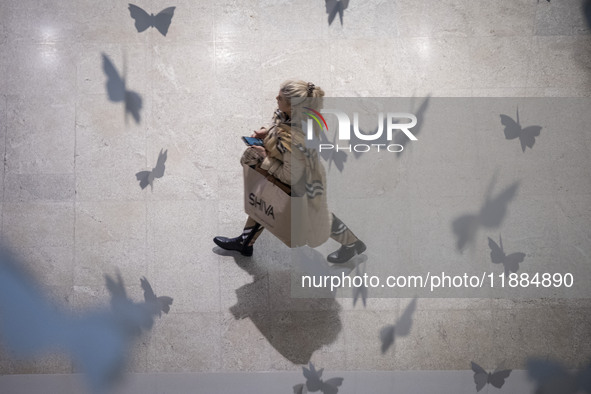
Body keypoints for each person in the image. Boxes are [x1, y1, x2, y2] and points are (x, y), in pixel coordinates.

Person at [213, 80, 365, 264]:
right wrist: (267, 132)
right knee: (264, 203)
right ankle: (245, 243)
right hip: (297, 172)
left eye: (281, 98)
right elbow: (279, 126)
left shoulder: (296, 139)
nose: (276, 98)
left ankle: (352, 244)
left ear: (293, 107)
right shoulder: (294, 115)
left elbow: (290, 177)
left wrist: (263, 157)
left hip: (299, 182)